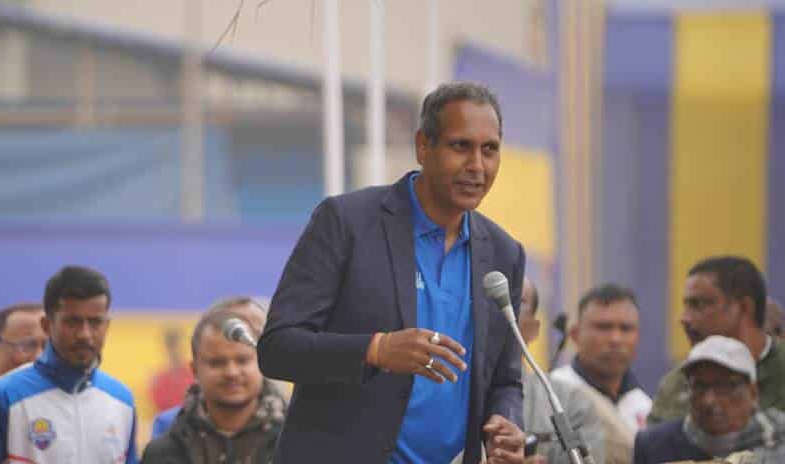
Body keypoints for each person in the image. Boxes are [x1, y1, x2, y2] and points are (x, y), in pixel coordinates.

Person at [258, 82, 527, 464]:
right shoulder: (347, 222)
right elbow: (277, 349)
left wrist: (505, 420)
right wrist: (376, 350)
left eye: (490, 150)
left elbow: (505, 379)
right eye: (460, 146)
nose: (477, 166)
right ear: (423, 146)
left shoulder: (504, 253)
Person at [0, 265, 138, 464]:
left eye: (95, 322)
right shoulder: (3, 396)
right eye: (72, 322)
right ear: (47, 325)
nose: (85, 334)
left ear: (107, 325)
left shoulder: (122, 401)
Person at [142, 297, 286, 463]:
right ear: (195, 369)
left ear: (261, 362)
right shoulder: (162, 453)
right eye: (217, 362)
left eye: (242, 360)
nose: (231, 372)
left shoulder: (296, 442)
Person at [648, 256, 785, 425]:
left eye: (698, 305)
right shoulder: (676, 385)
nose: (684, 318)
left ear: (744, 307)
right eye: (700, 387)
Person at [634, 335, 785, 464]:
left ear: (753, 392)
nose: (708, 400)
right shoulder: (653, 446)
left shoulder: (779, 439)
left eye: (724, 387)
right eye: (699, 386)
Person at [519, 278, 605, 464]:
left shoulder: (570, 403)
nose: (500, 310)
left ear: (533, 329)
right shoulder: (452, 390)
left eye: (515, 301)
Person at [551, 283, 652, 432]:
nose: (615, 339)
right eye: (603, 327)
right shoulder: (551, 396)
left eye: (626, 328)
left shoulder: (645, 407)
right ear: (575, 334)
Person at [149, 327, 194, 413]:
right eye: (171, 345)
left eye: (177, 345)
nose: (175, 350)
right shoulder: (159, 379)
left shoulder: (195, 375)